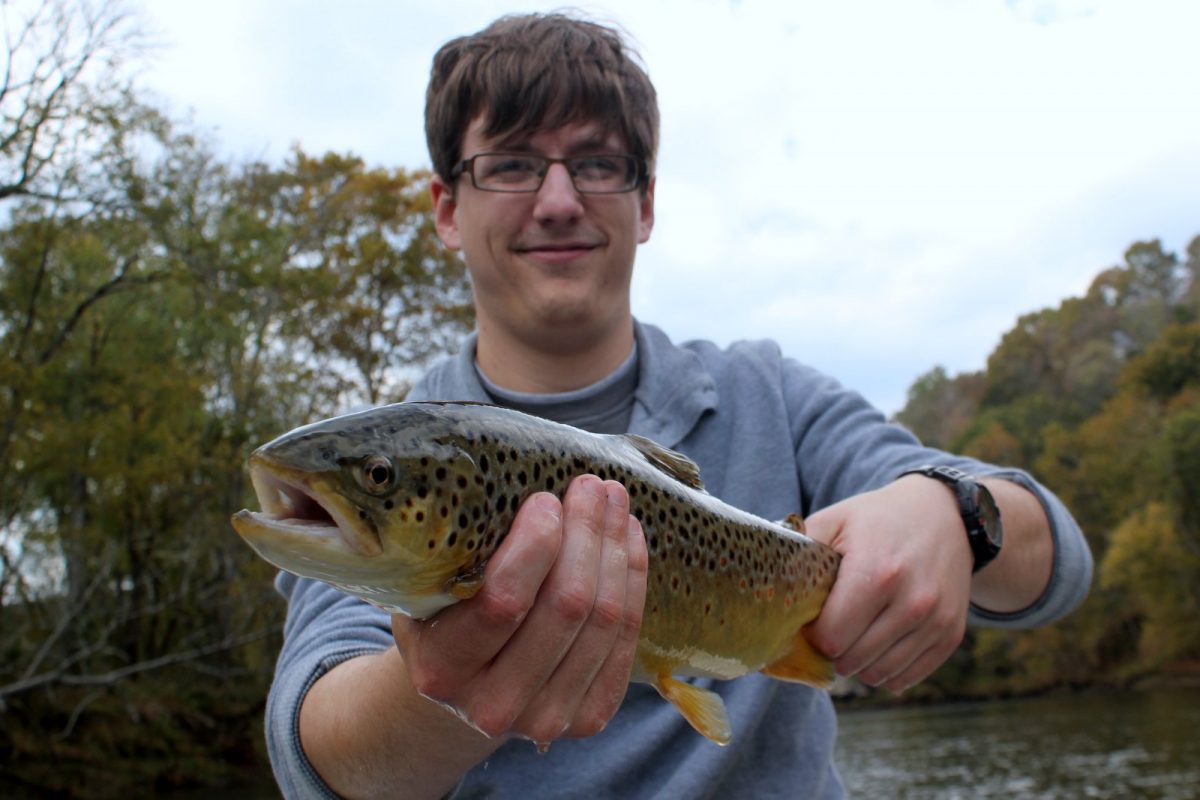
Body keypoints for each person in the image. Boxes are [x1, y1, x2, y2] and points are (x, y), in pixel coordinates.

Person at [264, 12, 1093, 799]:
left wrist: (953, 512)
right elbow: (317, 751)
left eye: (596, 164)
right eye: (512, 165)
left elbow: (1055, 561)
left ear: (646, 202)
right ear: (448, 208)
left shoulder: (768, 394)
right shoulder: (395, 452)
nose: (558, 201)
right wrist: (441, 693)